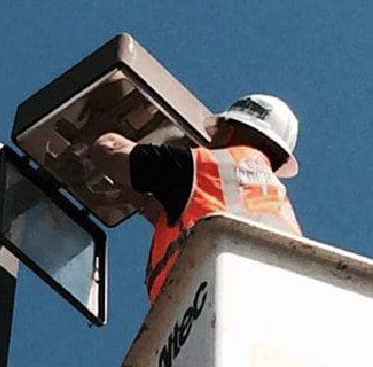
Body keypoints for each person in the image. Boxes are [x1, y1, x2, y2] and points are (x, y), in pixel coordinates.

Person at [90, 94, 302, 302]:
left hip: (204, 294)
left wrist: (102, 134)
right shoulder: (279, 204)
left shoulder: (203, 164)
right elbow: (194, 212)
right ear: (278, 160)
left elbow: (110, 152)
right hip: (272, 299)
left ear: (227, 131)